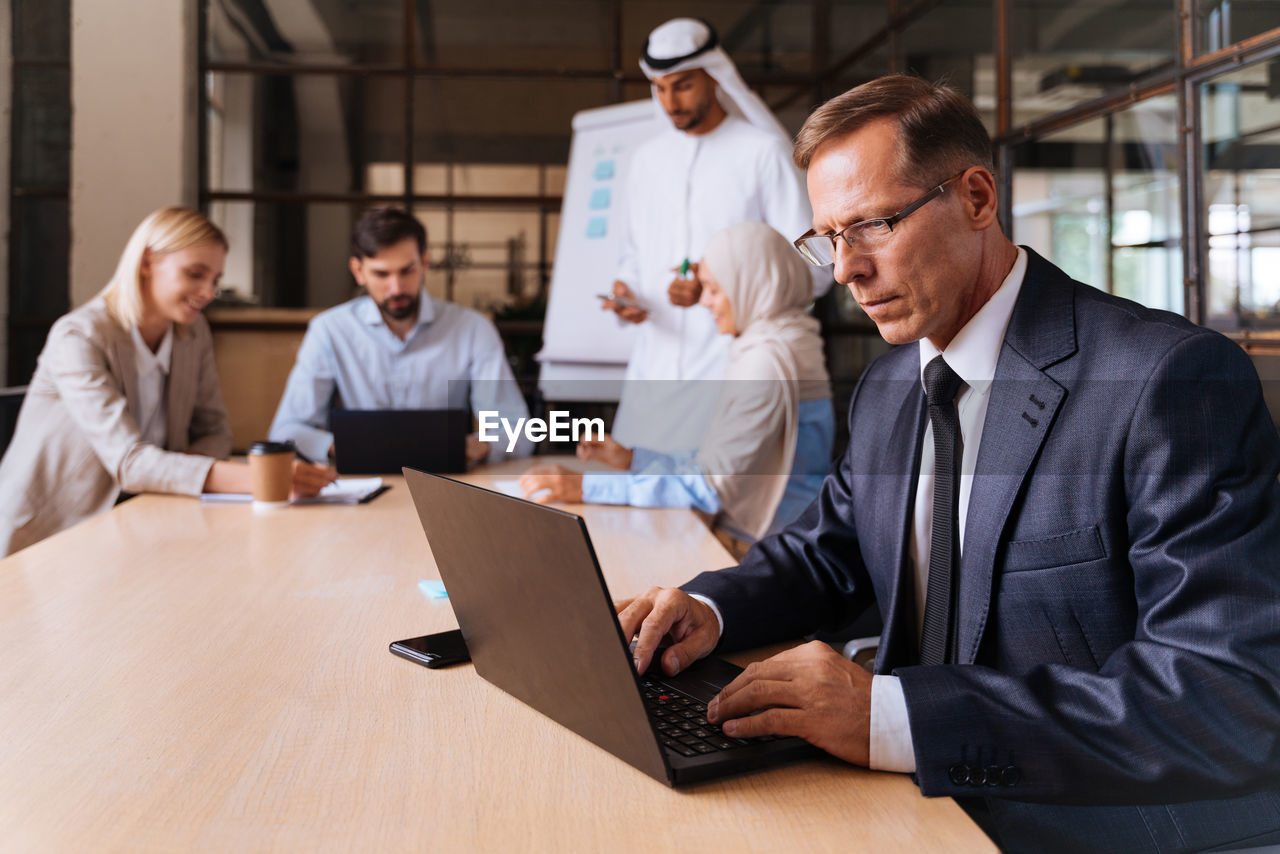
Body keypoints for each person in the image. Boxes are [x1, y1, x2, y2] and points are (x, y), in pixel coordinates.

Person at [618, 76, 1280, 853]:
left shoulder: (1164, 382)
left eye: (871, 225)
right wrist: (708, 610)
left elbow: (1222, 696)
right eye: (827, 237)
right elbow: (824, 555)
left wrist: (892, 717)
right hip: (909, 801)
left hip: (1091, 820)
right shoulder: (893, 383)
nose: (844, 271)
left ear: (976, 198)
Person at [0, 207, 335, 557]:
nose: (207, 292)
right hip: (50, 535)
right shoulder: (80, 335)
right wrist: (263, 479)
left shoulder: (192, 333)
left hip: (140, 519)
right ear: (146, 262)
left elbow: (216, 432)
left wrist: (176, 476)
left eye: (216, 280)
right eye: (195, 274)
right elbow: (129, 462)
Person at [521, 222, 835, 548]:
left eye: (714, 289)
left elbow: (708, 489)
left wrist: (584, 487)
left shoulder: (766, 363)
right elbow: (714, 465)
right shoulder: (784, 343)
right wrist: (632, 459)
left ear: (751, 284)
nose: (704, 302)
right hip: (782, 538)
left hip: (769, 549)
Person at [603, 17, 830, 454]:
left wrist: (717, 288)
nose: (670, 101)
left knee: (712, 509)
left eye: (683, 85)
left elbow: (814, 266)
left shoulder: (761, 153)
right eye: (660, 88)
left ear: (714, 76)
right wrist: (626, 292)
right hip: (652, 374)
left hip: (731, 370)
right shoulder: (646, 161)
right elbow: (633, 255)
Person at [269, 206, 532, 463]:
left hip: (447, 486)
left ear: (425, 263)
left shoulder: (473, 330)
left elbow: (518, 430)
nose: (396, 288)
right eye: (381, 274)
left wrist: (478, 445)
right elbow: (286, 431)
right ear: (358, 271)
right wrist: (344, 447)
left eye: (407, 271)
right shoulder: (329, 331)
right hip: (358, 490)